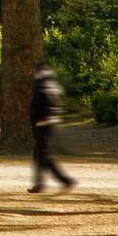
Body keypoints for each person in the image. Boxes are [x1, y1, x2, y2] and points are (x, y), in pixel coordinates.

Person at [29, 62, 76, 193]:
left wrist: (35, 121)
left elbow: (35, 106)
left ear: (37, 72)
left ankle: (66, 181)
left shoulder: (39, 85)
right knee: (38, 154)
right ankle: (39, 184)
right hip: (51, 122)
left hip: (41, 124)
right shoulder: (53, 85)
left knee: (44, 155)